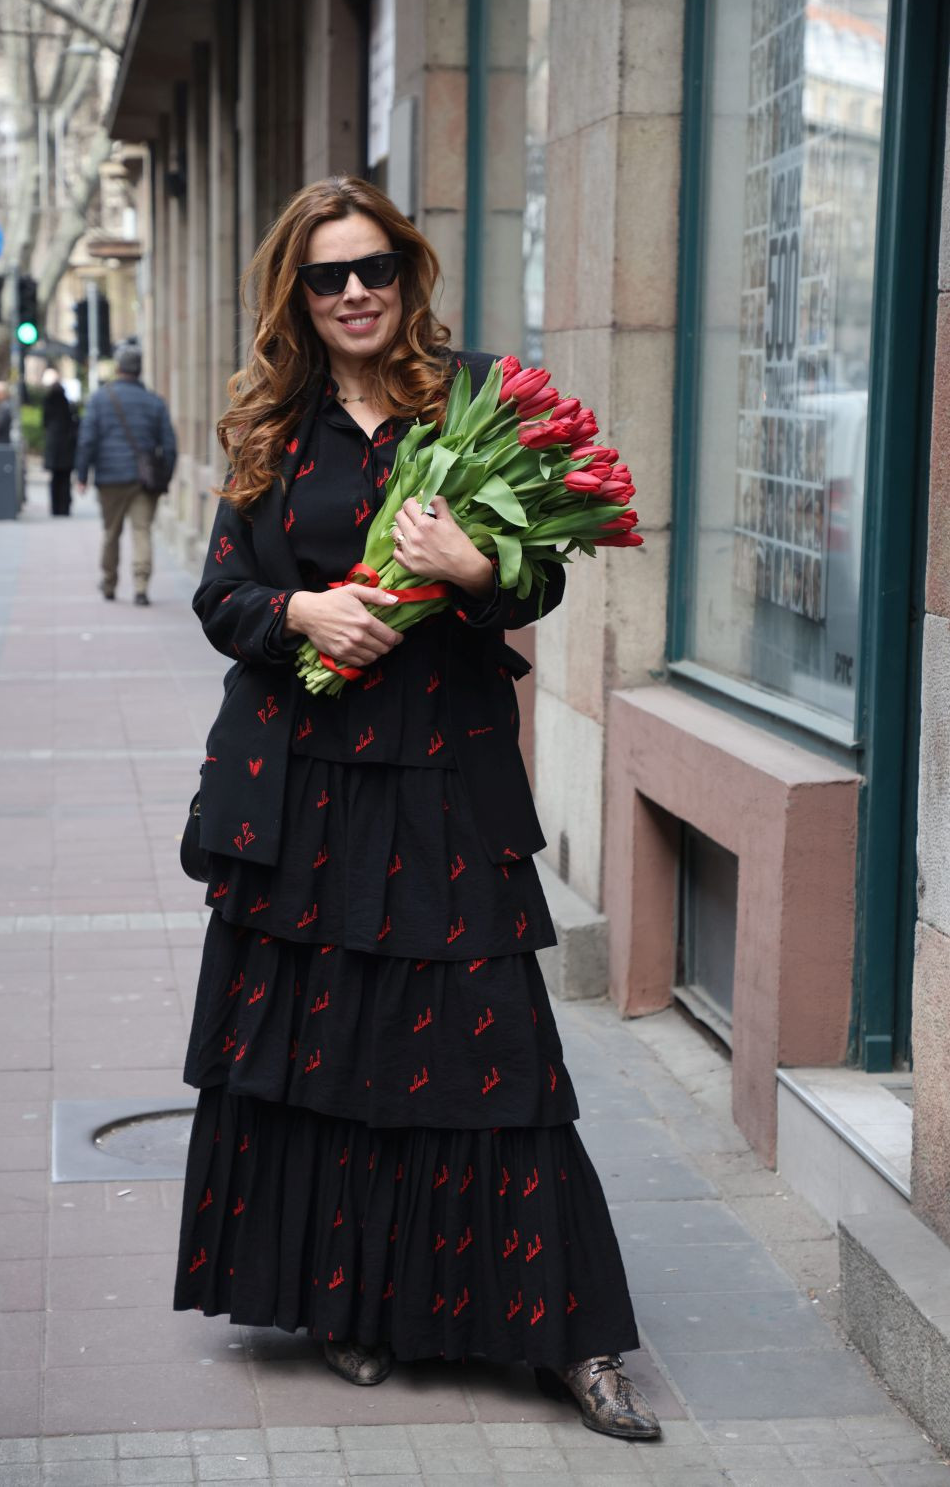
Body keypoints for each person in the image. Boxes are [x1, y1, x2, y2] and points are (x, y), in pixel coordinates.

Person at [173, 175, 661, 1442]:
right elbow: (221, 595)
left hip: (446, 778)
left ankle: (572, 1334)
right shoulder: (270, 427)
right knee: (327, 1051)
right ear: (296, 293)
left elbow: (539, 580)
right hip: (307, 787)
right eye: (327, 275)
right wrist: (303, 612)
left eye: (373, 268)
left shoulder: (477, 397)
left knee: (504, 1051)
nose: (355, 293)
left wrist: (476, 566)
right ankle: (347, 1300)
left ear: (407, 272)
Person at [75, 343, 177, 604]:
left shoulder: (99, 399)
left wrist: (82, 475)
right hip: (144, 480)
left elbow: (87, 440)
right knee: (142, 531)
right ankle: (141, 587)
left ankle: (109, 583)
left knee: (111, 532)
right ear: (139, 370)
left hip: (110, 479)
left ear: (118, 368)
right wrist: (164, 479)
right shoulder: (154, 402)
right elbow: (169, 446)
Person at [41, 369, 79, 517]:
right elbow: (74, 423)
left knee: (55, 478)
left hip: (53, 446)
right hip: (66, 447)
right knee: (65, 479)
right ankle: (65, 507)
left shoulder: (47, 403)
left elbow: (44, 423)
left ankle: (55, 507)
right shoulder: (68, 405)